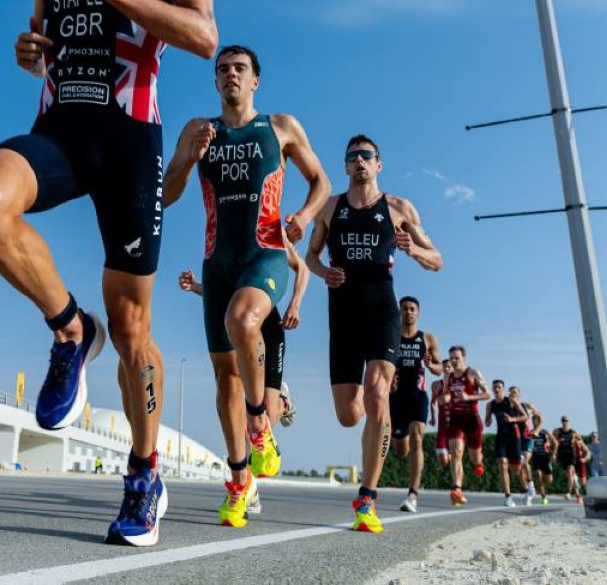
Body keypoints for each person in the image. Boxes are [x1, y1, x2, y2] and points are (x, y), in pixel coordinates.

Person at [0, 0, 218, 548]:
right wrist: (32, 51)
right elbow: (46, 39)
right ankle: (71, 328)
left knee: (134, 329)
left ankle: (144, 469)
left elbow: (203, 35)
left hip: (129, 139)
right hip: (60, 131)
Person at [164, 44, 329, 527]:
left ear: (255, 80)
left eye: (239, 69)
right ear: (215, 82)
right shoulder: (198, 130)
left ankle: (260, 422)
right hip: (218, 261)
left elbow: (320, 182)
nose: (230, 75)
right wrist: (188, 159)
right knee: (224, 381)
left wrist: (304, 216)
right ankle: (239, 481)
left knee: (243, 320)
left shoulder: (280, 127)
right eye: (223, 70)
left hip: (266, 253)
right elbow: (167, 194)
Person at [306, 134, 442, 533]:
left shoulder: (399, 208)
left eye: (367, 155)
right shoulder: (330, 208)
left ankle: (367, 498)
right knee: (349, 415)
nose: (360, 161)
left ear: (378, 164)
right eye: (353, 157)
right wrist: (323, 272)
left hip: (383, 312)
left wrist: (413, 250)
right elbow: (310, 256)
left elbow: (437, 259)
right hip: (343, 315)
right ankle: (374, 418)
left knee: (378, 396)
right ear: (345, 166)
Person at [177, 235, 310, 427]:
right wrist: (195, 287)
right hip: (240, 338)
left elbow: (303, 268)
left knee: (269, 416)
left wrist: (295, 305)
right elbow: (223, 293)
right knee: (238, 405)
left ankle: (282, 402)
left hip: (270, 332)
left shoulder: (270, 227)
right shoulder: (225, 234)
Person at [389, 296, 442, 513]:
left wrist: (430, 366)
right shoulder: (392, 335)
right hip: (396, 397)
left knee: (417, 437)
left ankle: (413, 493)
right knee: (401, 450)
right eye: (405, 308)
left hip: (417, 396)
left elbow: (440, 369)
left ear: (418, 312)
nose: (408, 312)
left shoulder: (427, 339)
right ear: (399, 312)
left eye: (412, 309)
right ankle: (404, 444)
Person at [441, 345, 490, 506]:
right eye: (451, 358)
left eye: (457, 358)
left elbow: (487, 394)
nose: (454, 361)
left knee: (475, 458)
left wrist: (469, 397)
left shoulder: (472, 373)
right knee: (456, 452)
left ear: (464, 358)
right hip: (456, 418)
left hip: (472, 419)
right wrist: (445, 398)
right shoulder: (448, 377)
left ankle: (478, 463)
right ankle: (457, 489)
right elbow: (447, 393)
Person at [485, 381, 528, 508]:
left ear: (503, 389)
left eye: (499, 387)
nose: (497, 389)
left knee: (515, 470)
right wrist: (488, 420)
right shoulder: (490, 405)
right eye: (495, 387)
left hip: (514, 436)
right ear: (492, 389)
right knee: (503, 465)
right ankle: (508, 497)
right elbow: (487, 422)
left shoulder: (511, 401)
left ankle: (526, 487)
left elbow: (525, 416)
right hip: (501, 437)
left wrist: (512, 419)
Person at [528, 414, 557, 505]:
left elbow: (555, 443)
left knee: (549, 480)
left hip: (545, 457)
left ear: (539, 421)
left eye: (536, 420)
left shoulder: (545, 432)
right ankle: (543, 497)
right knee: (538, 476)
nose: (534, 422)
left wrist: (554, 454)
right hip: (535, 457)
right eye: (533, 420)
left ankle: (542, 482)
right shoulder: (531, 433)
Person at [554, 416, 584, 503]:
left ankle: (568, 491)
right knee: (571, 476)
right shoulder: (557, 431)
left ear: (569, 422)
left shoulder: (573, 432)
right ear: (561, 422)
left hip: (571, 454)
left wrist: (576, 442)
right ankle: (578, 495)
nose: (565, 422)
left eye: (566, 420)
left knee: (570, 472)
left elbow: (581, 441)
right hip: (562, 455)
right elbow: (552, 442)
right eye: (563, 420)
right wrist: (557, 443)